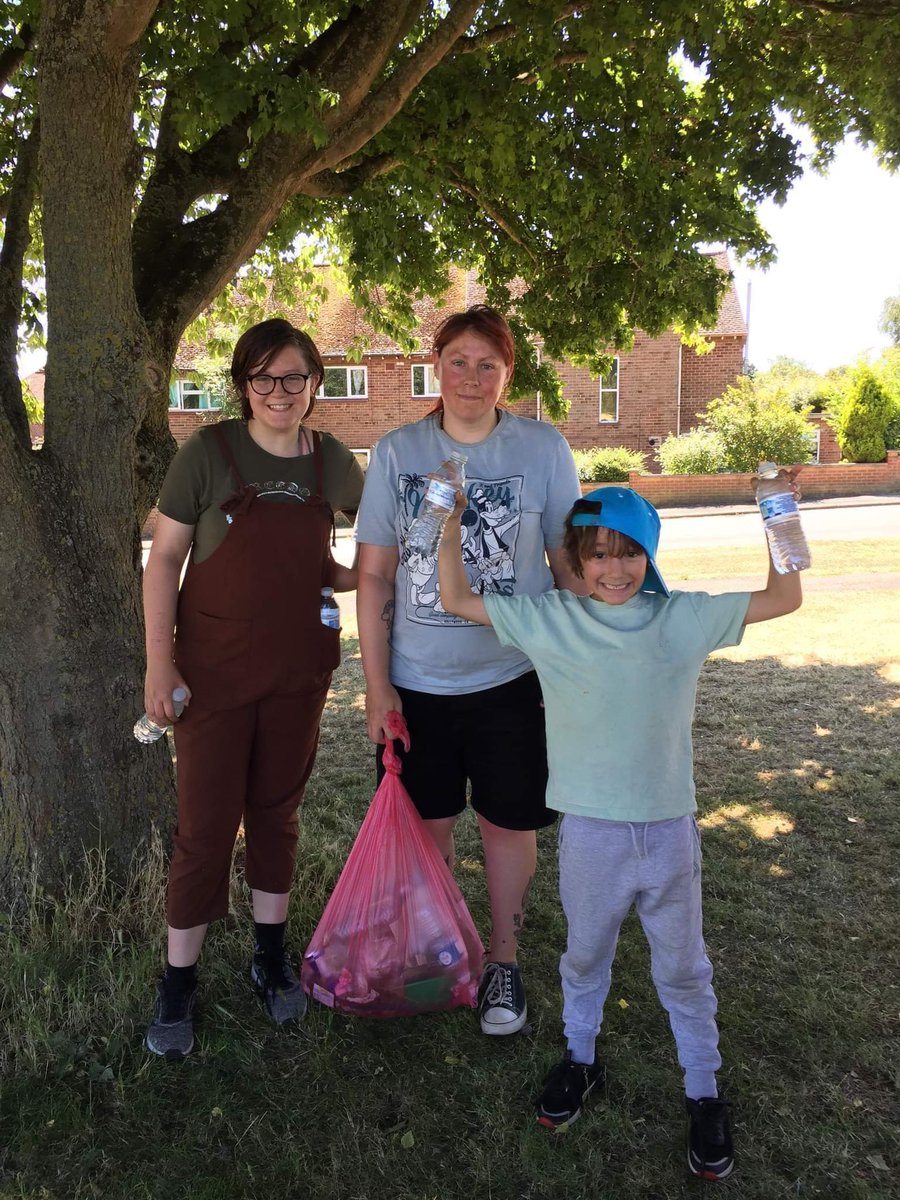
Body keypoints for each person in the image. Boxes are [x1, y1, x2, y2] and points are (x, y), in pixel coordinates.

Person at [438, 482, 803, 1180]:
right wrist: (450, 525)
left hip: (668, 833)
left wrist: (778, 512)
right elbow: (456, 598)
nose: (614, 568)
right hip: (591, 836)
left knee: (683, 968)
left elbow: (784, 597)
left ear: (650, 554)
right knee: (584, 956)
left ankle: (703, 1090)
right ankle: (581, 1059)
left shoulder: (683, 617)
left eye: (630, 552)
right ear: (575, 559)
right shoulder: (551, 619)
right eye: (598, 554)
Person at [355, 305, 583, 1036]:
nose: (472, 377)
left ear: (507, 373)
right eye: (458, 361)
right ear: (436, 367)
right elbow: (375, 577)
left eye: (488, 364)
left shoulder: (543, 448)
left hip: (512, 679)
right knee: (428, 826)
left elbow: (567, 563)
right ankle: (444, 947)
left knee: (507, 823)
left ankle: (503, 961)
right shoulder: (398, 452)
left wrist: (584, 661)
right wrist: (378, 685)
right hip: (417, 683)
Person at [142, 317, 364, 1057]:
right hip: (212, 676)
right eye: (263, 377)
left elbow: (353, 550)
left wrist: (362, 574)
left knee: (277, 816)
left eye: (294, 376)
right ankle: (178, 981)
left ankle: (270, 959)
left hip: (297, 673)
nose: (279, 391)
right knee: (204, 829)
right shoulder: (207, 454)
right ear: (243, 384)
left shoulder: (332, 461)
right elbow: (163, 560)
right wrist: (159, 662)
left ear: (315, 384)